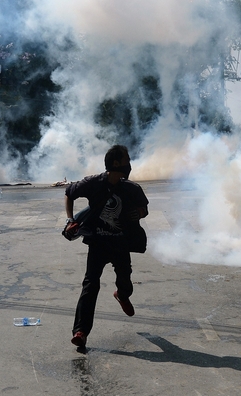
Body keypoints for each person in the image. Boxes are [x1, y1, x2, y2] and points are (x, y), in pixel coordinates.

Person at [64, 145, 149, 349]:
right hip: (98, 243)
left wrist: (139, 214)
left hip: (121, 243)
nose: (130, 163)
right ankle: (81, 332)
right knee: (90, 285)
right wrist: (70, 220)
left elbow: (144, 209)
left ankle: (122, 294)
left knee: (125, 280)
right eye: (127, 159)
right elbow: (69, 193)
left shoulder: (131, 189)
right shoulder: (93, 183)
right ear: (117, 163)